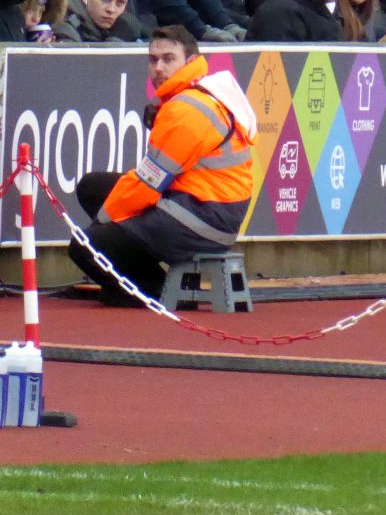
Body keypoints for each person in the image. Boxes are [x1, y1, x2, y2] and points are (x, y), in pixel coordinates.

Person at [67, 25, 257, 306]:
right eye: (153, 59)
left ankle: (156, 292)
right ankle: (143, 275)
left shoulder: (186, 110)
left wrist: (104, 221)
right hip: (204, 206)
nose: (158, 67)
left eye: (169, 59)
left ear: (191, 63)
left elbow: (147, 184)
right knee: (92, 188)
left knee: (84, 246)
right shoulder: (198, 95)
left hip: (204, 218)